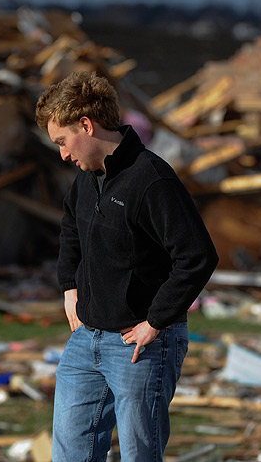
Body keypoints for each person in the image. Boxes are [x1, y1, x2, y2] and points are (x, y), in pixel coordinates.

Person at [35, 71, 218, 462]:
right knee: (69, 456)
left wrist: (156, 321)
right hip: (85, 342)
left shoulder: (152, 181)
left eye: (63, 142)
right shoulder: (86, 180)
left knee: (140, 456)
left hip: (141, 346)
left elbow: (198, 255)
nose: (63, 155)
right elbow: (70, 226)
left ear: (86, 125)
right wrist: (70, 286)